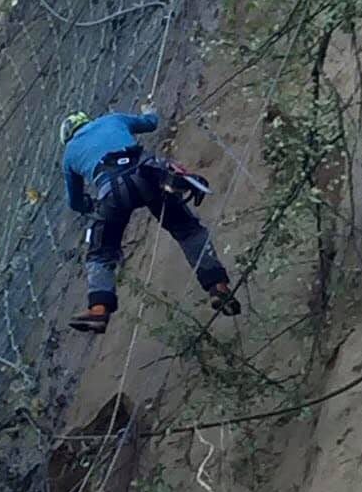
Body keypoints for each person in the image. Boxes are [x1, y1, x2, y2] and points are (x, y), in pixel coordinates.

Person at [60, 108, 236, 333]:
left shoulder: (69, 154)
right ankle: (218, 286)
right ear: (86, 120)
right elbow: (151, 122)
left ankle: (98, 310)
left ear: (68, 137)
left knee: (101, 253)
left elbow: (74, 202)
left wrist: (91, 206)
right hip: (147, 174)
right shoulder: (112, 119)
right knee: (188, 231)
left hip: (111, 190)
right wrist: (149, 110)